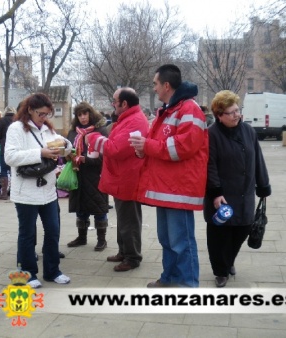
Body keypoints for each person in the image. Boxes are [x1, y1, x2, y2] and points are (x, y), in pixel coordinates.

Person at [129, 64, 209, 288]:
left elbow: (182, 147)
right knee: (168, 240)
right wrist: (143, 148)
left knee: (181, 242)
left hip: (179, 189)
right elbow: (163, 146)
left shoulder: (188, 109)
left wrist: (148, 146)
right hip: (167, 188)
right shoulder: (171, 110)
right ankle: (170, 278)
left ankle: (187, 286)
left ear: (166, 85)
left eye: (155, 84)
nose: (153, 88)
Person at [4, 93, 73, 289]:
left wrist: (65, 146)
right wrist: (39, 153)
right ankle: (28, 274)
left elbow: (62, 144)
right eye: (41, 114)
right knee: (27, 234)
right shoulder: (16, 129)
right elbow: (10, 157)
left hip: (48, 190)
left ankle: (53, 271)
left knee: (53, 230)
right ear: (30, 111)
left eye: (47, 114)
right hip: (26, 191)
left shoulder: (47, 129)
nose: (44, 117)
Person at [204, 90, 271, 287]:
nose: (237, 115)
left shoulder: (248, 131)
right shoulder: (212, 135)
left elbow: (258, 158)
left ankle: (229, 260)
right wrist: (215, 193)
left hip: (245, 192)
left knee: (242, 229)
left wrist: (263, 184)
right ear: (219, 115)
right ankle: (220, 271)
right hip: (222, 194)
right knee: (220, 235)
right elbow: (210, 165)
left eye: (237, 110)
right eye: (231, 112)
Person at [87, 87, 149, 272]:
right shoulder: (129, 119)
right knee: (123, 218)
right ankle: (124, 251)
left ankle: (132, 257)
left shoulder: (135, 121)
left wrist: (94, 138)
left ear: (124, 104)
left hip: (128, 178)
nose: (112, 104)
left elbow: (116, 149)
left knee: (129, 220)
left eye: (114, 101)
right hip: (123, 177)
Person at [66, 102, 109, 251]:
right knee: (81, 209)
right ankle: (82, 237)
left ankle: (101, 240)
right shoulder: (73, 133)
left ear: (91, 114)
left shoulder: (101, 131)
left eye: (85, 114)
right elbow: (67, 151)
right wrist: (68, 156)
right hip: (78, 174)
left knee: (99, 208)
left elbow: (106, 155)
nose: (83, 117)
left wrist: (86, 159)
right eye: (79, 115)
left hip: (96, 175)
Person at [0, 106, 16, 199]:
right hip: (16, 148)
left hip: (5, 148)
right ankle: (14, 192)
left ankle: (4, 194)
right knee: (14, 171)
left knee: (4, 170)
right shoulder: (17, 120)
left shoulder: (2, 120)